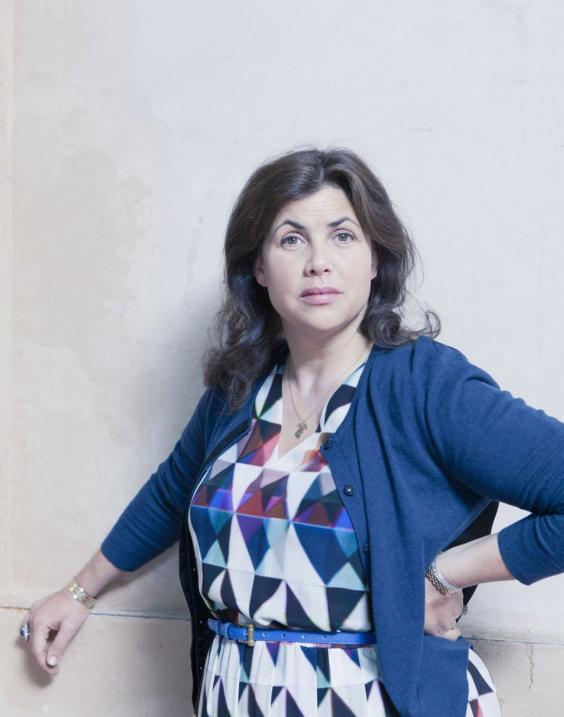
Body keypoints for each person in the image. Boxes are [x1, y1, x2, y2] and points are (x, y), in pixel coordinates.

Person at [19, 147, 564, 717]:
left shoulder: (423, 385)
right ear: (258, 267)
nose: (318, 262)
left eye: (342, 236)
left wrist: (444, 573)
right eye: (291, 239)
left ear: (375, 259)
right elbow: (170, 492)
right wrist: (78, 592)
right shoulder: (240, 389)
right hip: (237, 695)